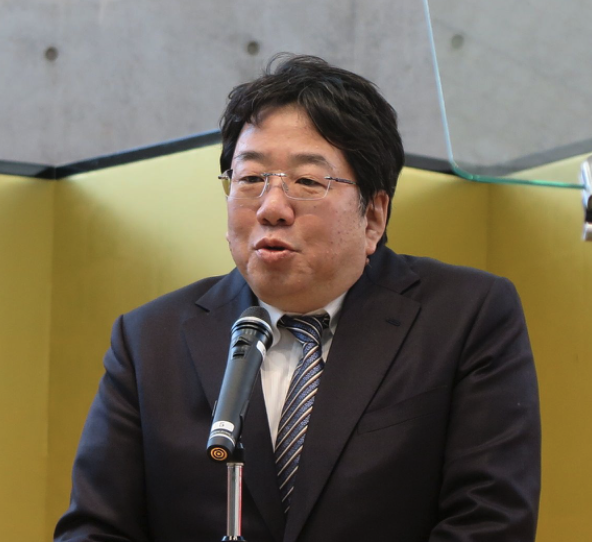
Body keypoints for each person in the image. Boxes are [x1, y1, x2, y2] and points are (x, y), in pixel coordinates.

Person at [55, 54, 541, 542]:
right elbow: (95, 529)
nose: (271, 208)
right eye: (250, 179)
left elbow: (489, 522)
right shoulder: (149, 339)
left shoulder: (464, 316)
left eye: (307, 181)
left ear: (374, 215)